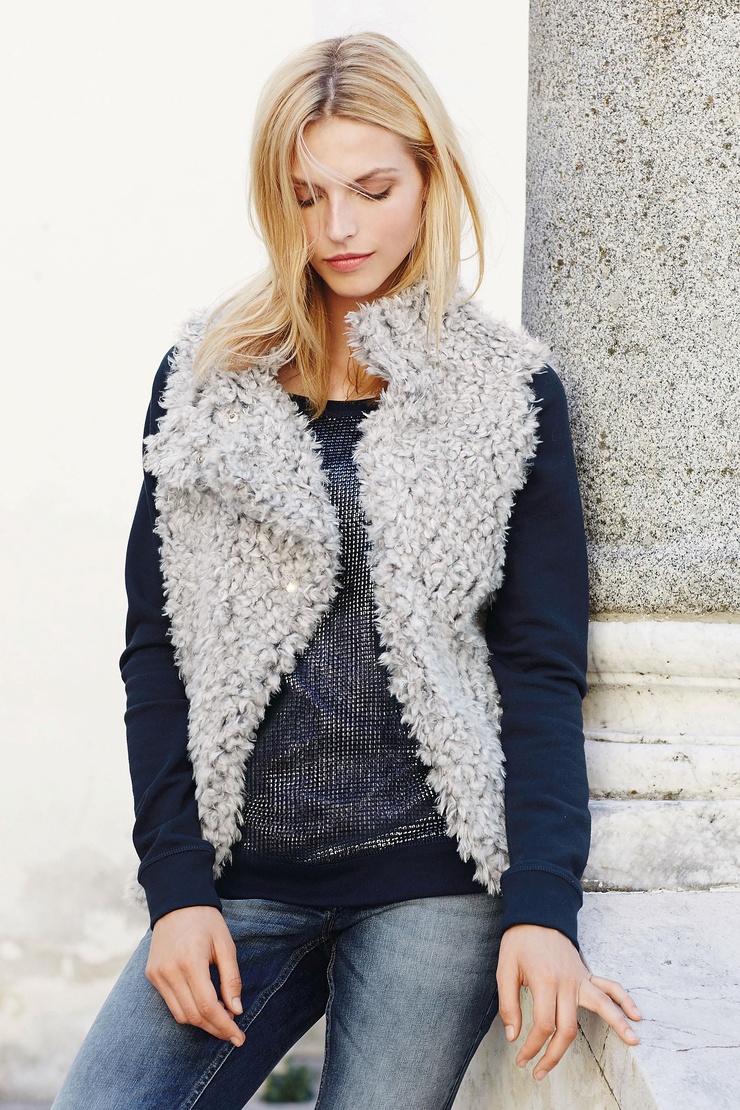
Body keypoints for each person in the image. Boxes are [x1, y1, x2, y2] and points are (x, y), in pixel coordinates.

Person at [53, 31, 641, 1110]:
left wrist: (542, 908)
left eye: (372, 190)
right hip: (241, 881)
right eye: (306, 195)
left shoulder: (508, 395)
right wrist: (176, 890)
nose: (337, 228)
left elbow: (540, 669)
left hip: (435, 885)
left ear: (429, 178)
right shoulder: (206, 377)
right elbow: (157, 649)